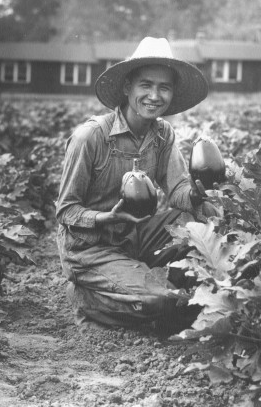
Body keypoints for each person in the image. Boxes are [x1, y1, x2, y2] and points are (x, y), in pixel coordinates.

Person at [55, 37, 218, 333]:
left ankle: (145, 287)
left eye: (164, 87)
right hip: (90, 250)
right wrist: (106, 217)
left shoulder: (162, 133)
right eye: (146, 85)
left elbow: (178, 191)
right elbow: (66, 211)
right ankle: (89, 300)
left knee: (198, 222)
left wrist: (196, 193)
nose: (154, 96)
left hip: (135, 237)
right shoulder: (89, 137)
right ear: (128, 87)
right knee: (161, 302)